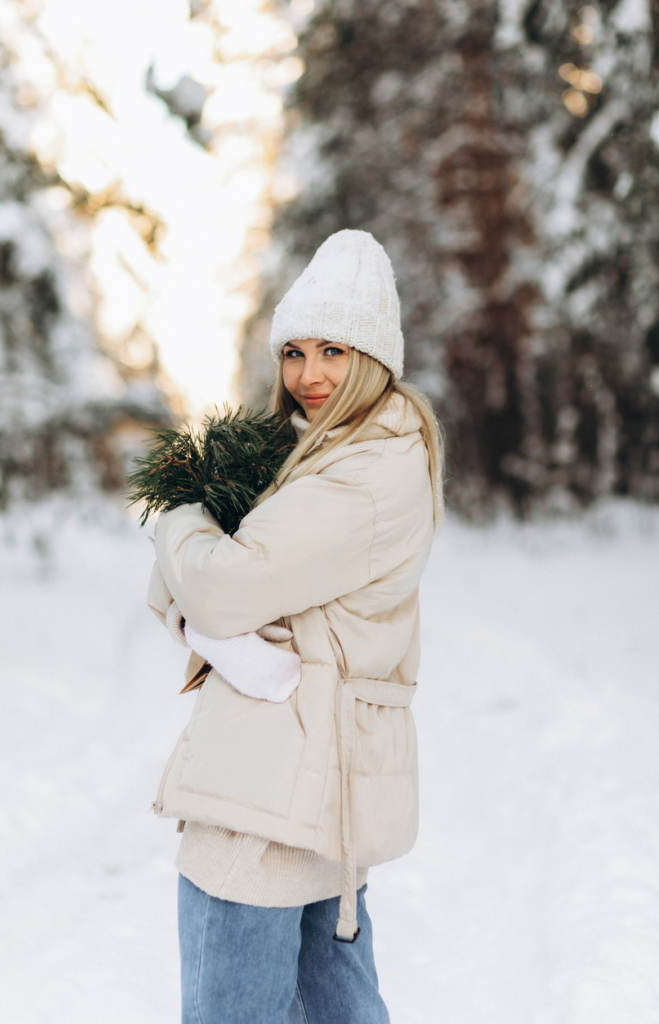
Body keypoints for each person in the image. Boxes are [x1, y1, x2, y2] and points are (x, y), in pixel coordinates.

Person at [148, 229, 443, 1024]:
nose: (308, 376)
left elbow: (215, 588)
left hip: (272, 784)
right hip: (305, 783)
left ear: (375, 355)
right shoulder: (341, 451)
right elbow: (215, 596)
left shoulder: (360, 475)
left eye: (335, 351)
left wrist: (178, 515)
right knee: (338, 1007)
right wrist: (211, 599)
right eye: (294, 352)